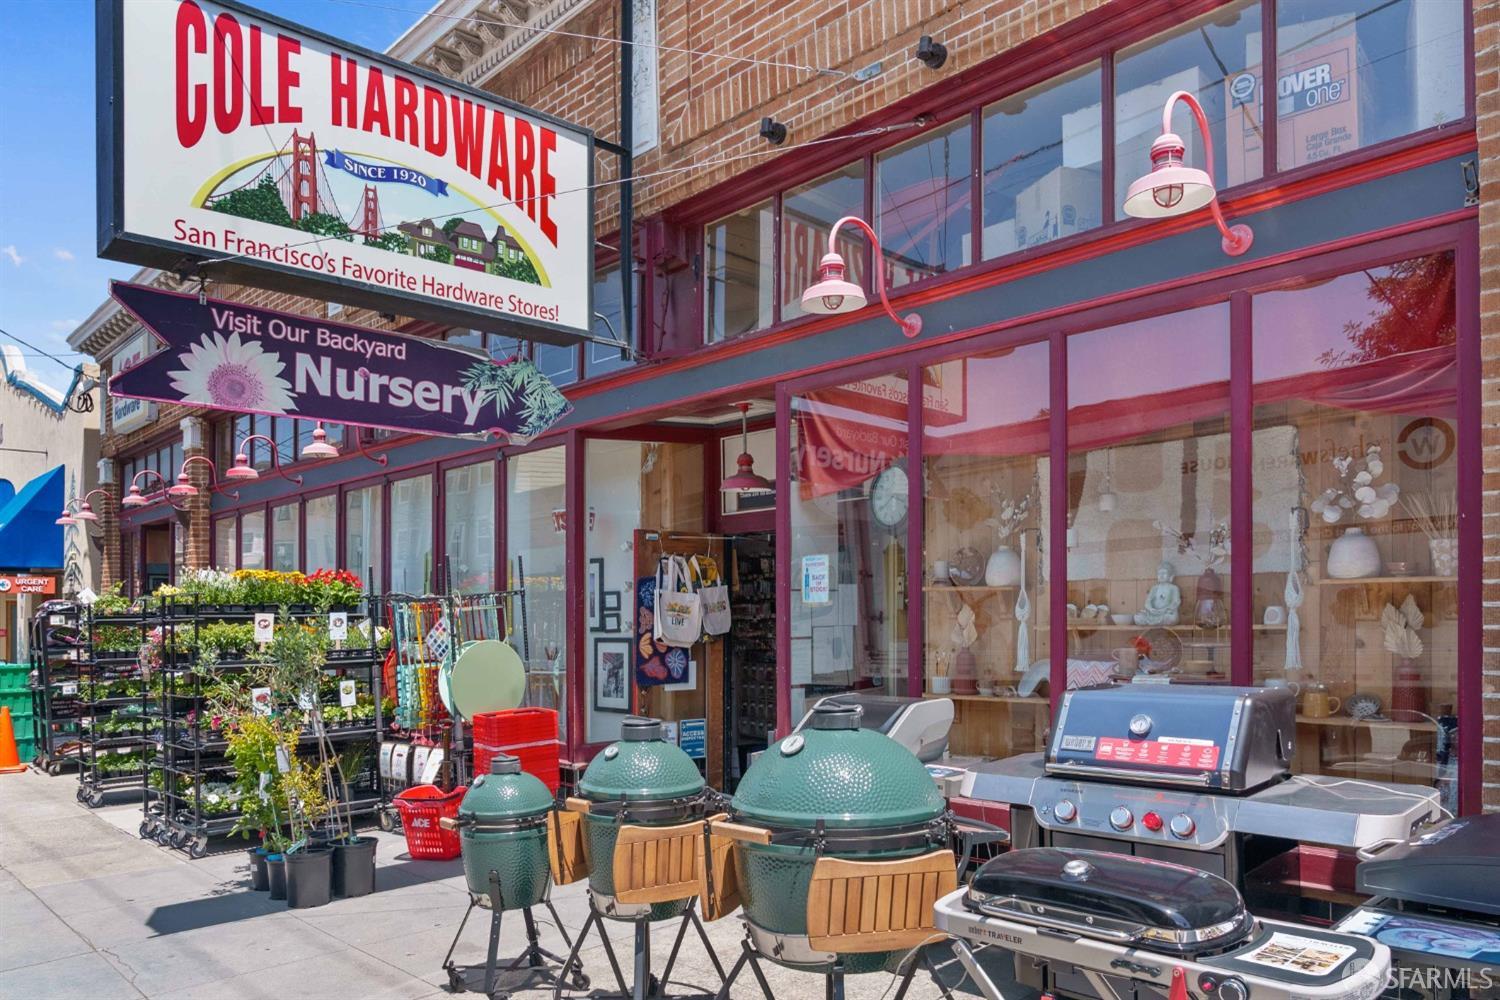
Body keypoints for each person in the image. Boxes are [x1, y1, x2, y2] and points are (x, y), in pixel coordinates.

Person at [1134, 561, 1181, 626]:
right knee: (1138, 617)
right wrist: (1151, 609)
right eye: (1159, 573)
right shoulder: (1155, 588)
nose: (1161, 576)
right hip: (1153, 613)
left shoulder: (1173, 588)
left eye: (1164, 573)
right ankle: (1152, 620)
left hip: (1166, 613)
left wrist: (1164, 609)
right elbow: (1148, 602)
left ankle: (1157, 621)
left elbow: (1175, 602)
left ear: (1171, 576)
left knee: (1171, 618)